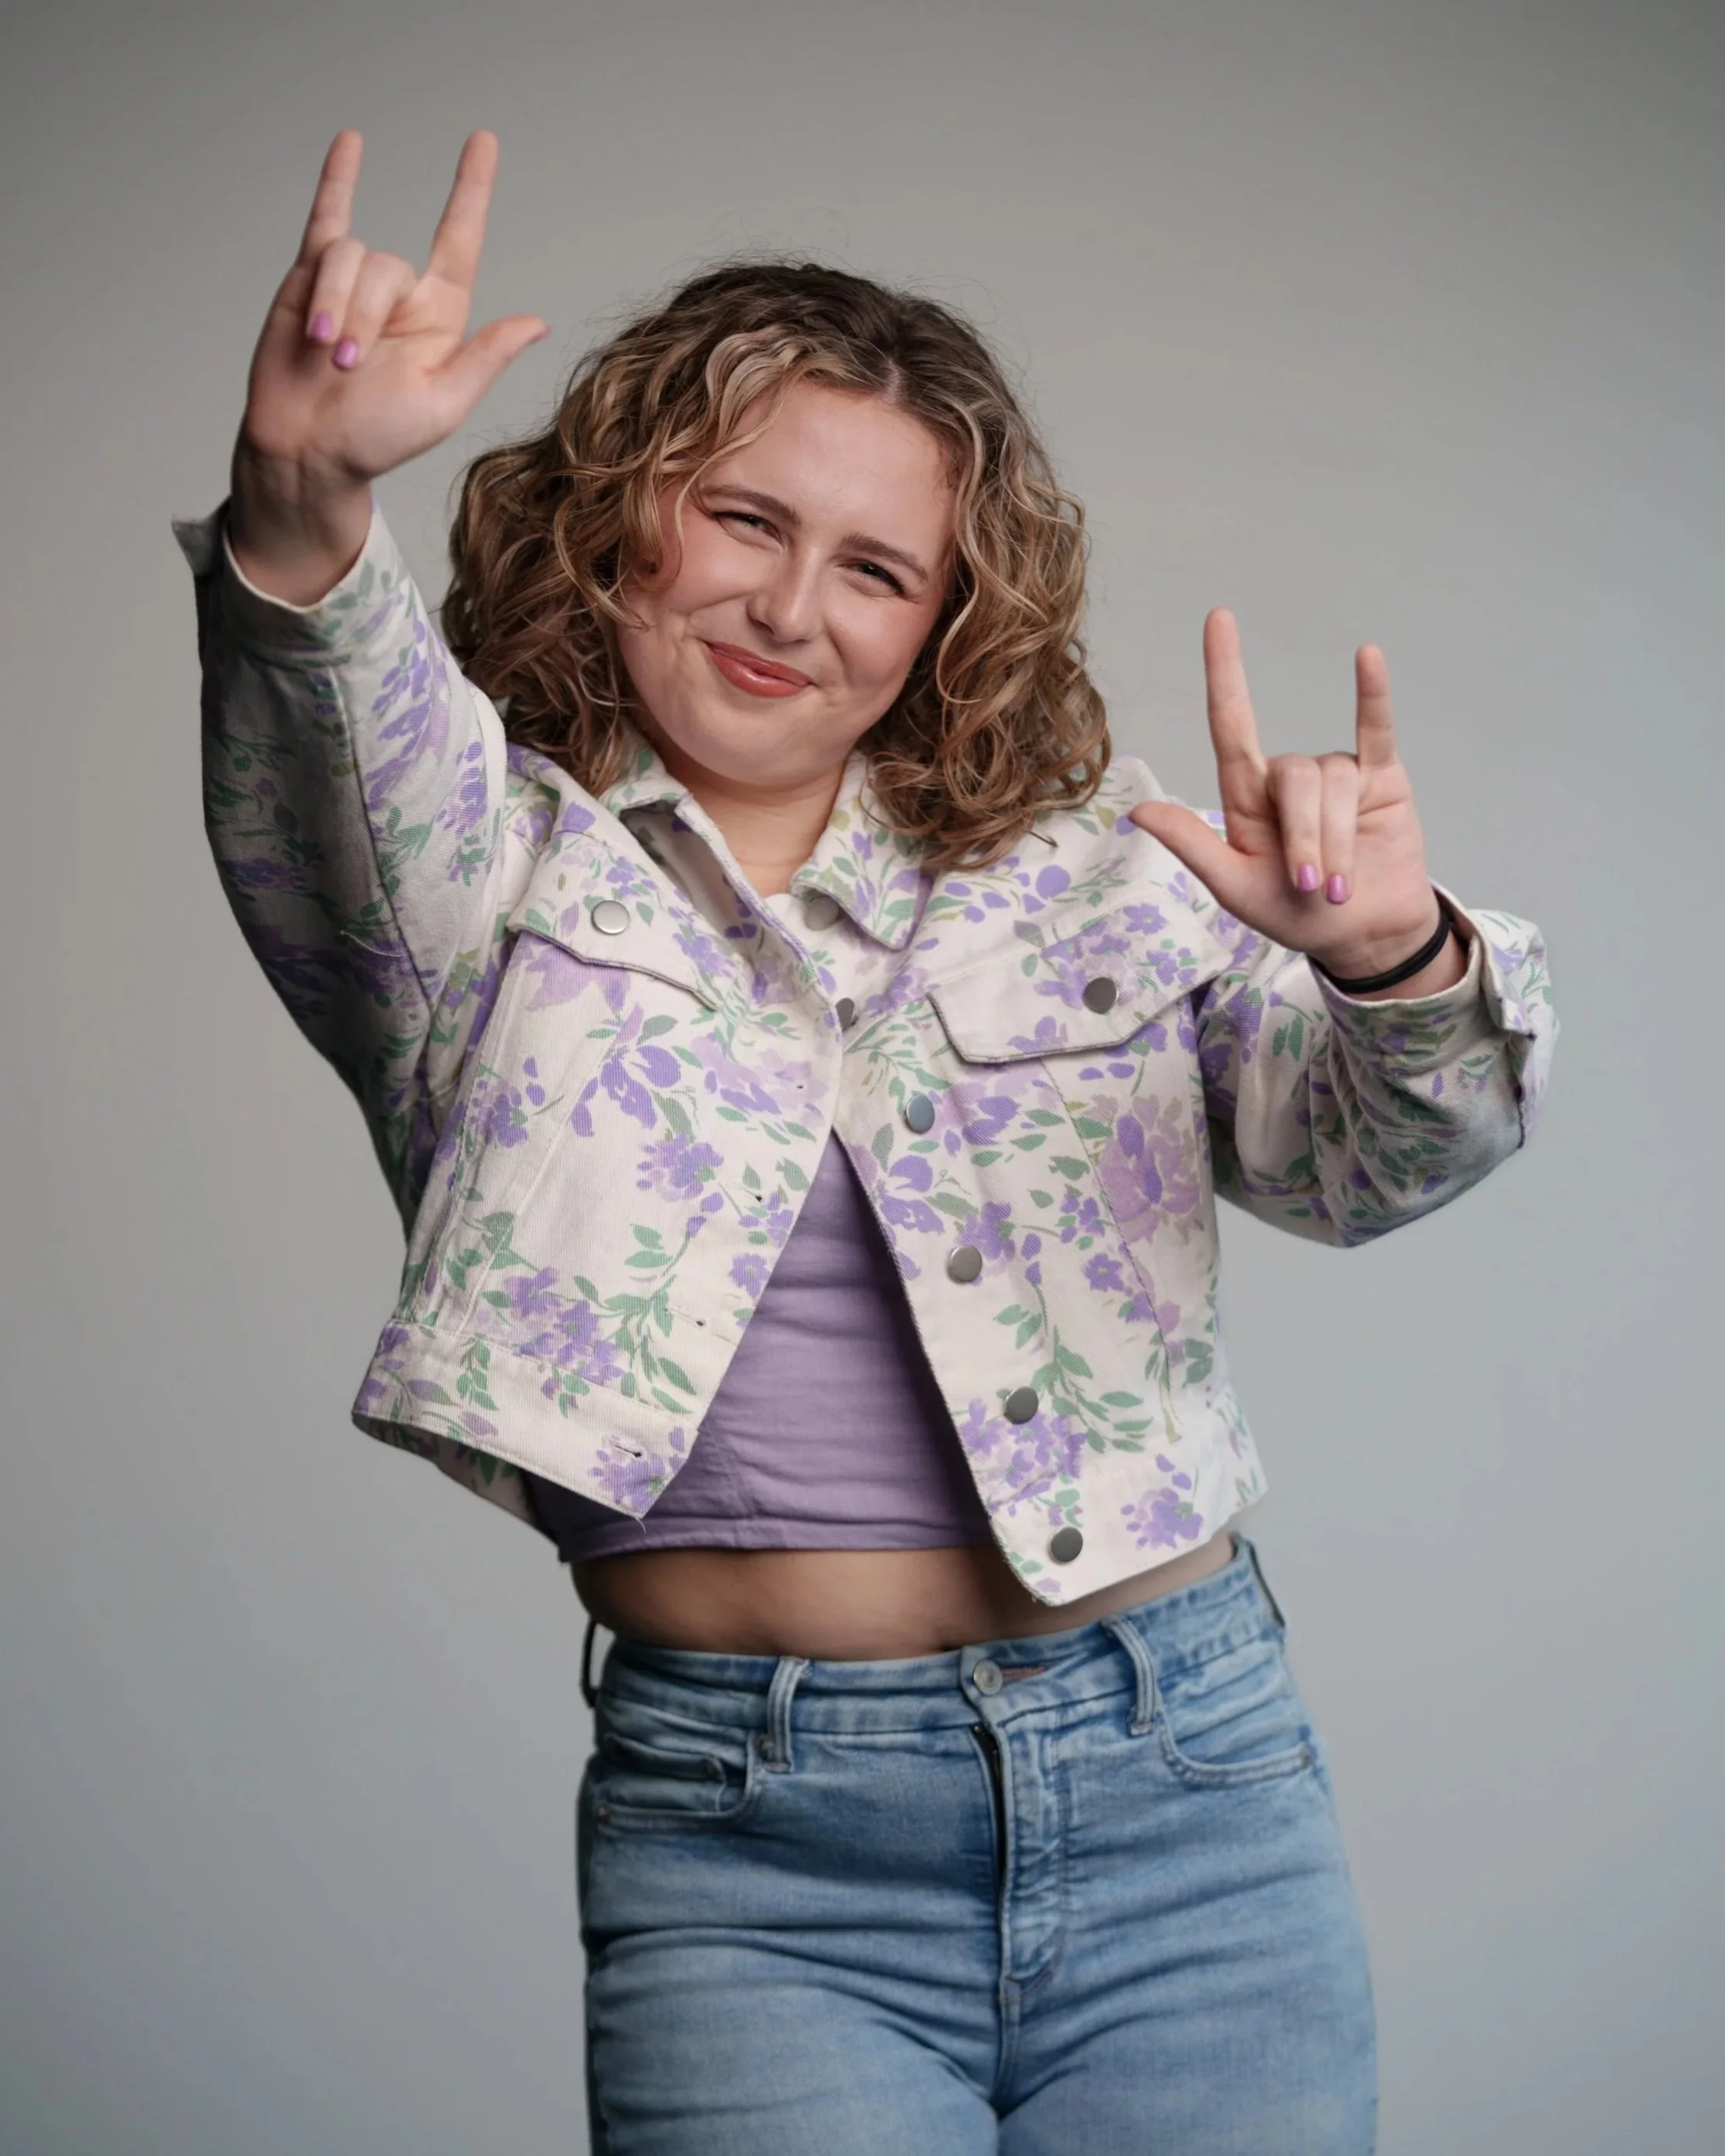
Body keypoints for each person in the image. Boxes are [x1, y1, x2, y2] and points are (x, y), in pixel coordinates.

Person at [176, 127, 1555, 2155]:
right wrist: (303, 492)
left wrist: (1392, 958)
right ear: (619, 518)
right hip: (753, 1848)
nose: (790, 603)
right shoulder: (469, 878)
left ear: (941, 626)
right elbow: (321, 720)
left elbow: (1370, 1162)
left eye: (876, 566)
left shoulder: (1097, 867)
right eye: (743, 515)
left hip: (1191, 1793)